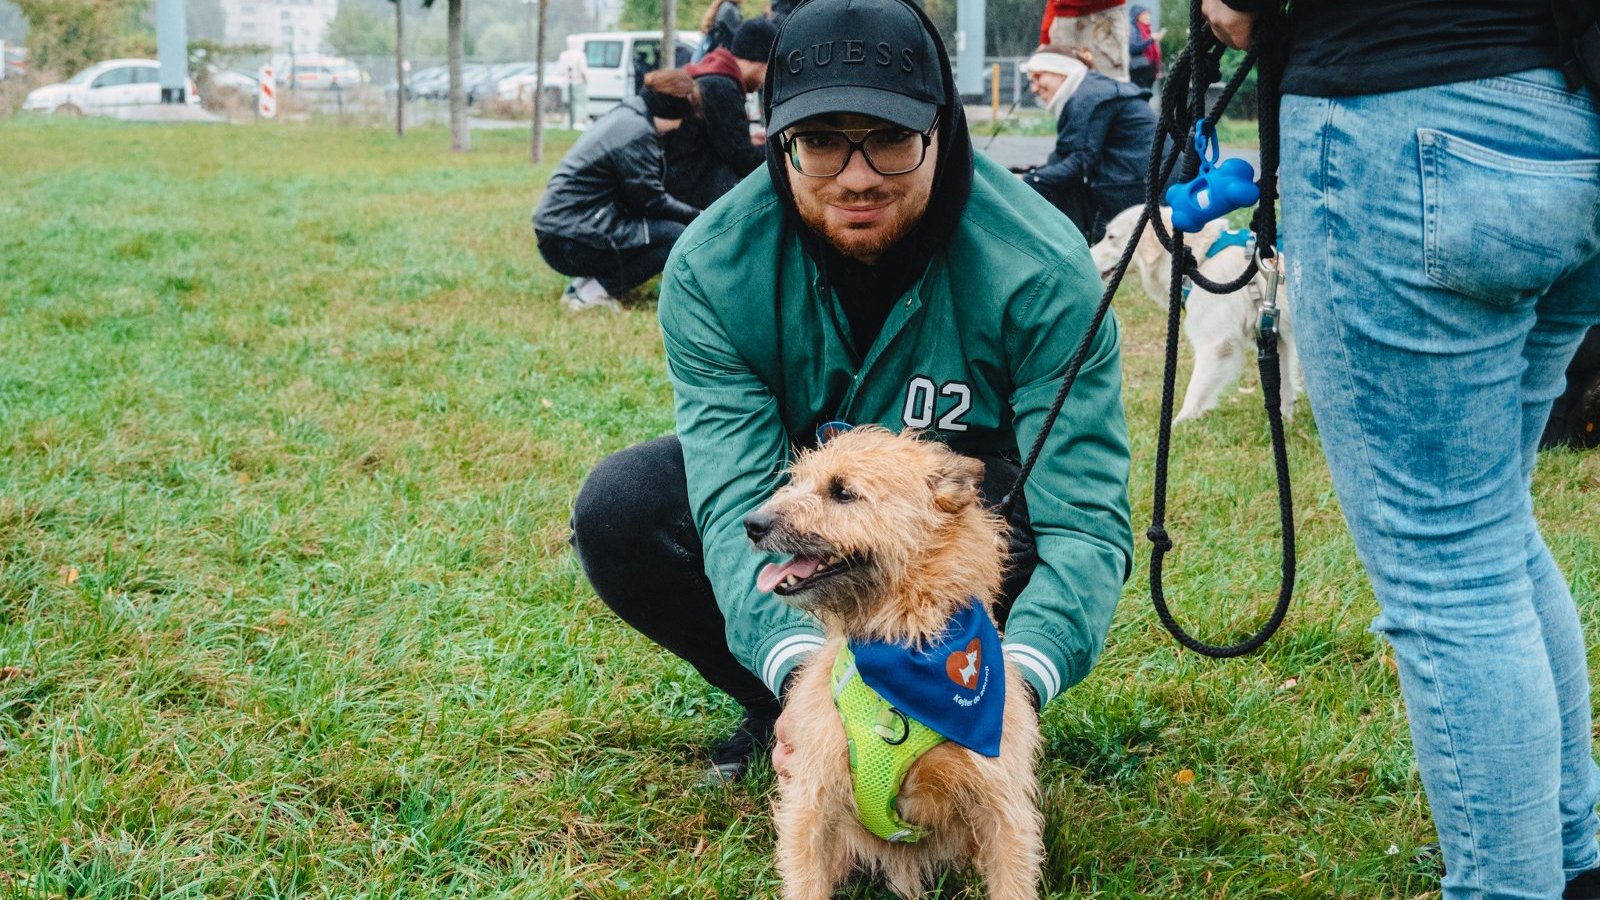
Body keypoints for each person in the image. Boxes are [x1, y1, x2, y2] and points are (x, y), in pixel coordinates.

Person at [569, 0, 1132, 784]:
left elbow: (1084, 525)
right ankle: (793, 705)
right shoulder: (710, 266)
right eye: (821, 143)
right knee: (625, 507)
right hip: (813, 536)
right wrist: (802, 675)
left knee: (1015, 508)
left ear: (943, 129)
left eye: (892, 140)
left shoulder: (1044, 269)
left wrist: (1019, 687)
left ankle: (969, 707)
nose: (857, 177)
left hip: (968, 548)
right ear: (778, 141)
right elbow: (734, 489)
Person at [1202, 1, 1600, 896]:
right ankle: (1574, 858)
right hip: (1573, 118)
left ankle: (1516, 882)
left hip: (1409, 117)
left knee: (1452, 568)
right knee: (1492, 527)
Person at [533, 69, 702, 312]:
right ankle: (593, 294)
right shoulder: (638, 133)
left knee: (653, 231)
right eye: (683, 117)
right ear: (672, 109)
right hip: (568, 238)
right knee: (673, 237)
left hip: (558, 230)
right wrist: (698, 216)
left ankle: (581, 287)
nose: (681, 126)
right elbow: (649, 200)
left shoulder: (627, 114)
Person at [1019, 44, 1158, 242]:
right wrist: (1034, 174)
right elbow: (1068, 157)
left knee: (1060, 184)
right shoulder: (1092, 89)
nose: (1033, 88)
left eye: (1038, 77)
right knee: (1053, 173)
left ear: (1060, 71)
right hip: (1146, 179)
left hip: (1141, 188)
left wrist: (1028, 180)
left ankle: (1067, 247)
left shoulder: (1086, 97)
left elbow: (1078, 164)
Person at [665, 19, 775, 210]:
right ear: (757, 59)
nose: (766, 81)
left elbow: (714, 137)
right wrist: (782, 150)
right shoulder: (722, 88)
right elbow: (743, 159)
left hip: (678, 183)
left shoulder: (710, 73)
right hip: (692, 195)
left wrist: (747, 140)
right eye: (769, 70)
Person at [1039, 0, 1130, 81]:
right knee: (1064, 87)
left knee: (1112, 84)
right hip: (1064, 19)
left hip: (1102, 16)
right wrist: (1045, 37)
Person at [1127, 4, 1163, 90]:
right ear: (1137, 16)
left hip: (1149, 70)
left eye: (1148, 14)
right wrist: (1151, 39)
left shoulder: (1147, 29)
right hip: (1139, 71)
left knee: (1147, 96)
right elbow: (1133, 48)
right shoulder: (1133, 29)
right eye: (1145, 14)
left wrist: (1157, 71)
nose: (1148, 16)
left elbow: (1155, 53)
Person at [557, 39, 590, 129]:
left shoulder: (563, 55)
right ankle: (578, 122)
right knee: (580, 103)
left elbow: (560, 70)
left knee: (568, 103)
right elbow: (583, 70)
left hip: (566, 82)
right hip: (579, 82)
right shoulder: (580, 55)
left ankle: (568, 122)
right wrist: (586, 80)